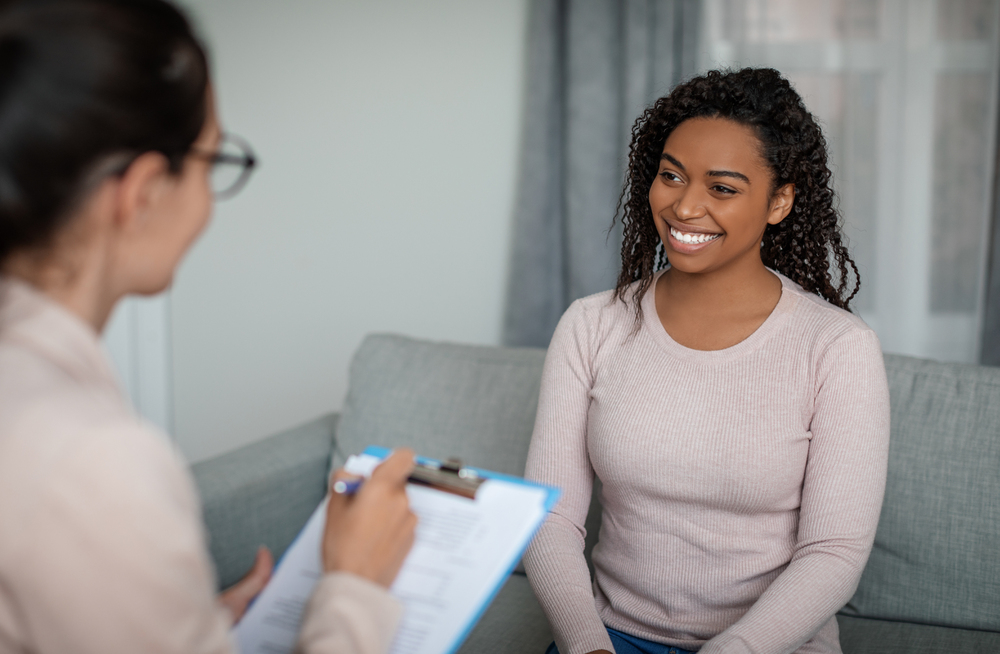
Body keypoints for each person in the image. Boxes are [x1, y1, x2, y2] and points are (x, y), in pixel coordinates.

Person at [0, 1, 416, 652]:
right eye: (214, 160)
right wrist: (357, 587)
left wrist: (192, 626)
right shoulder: (96, 460)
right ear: (142, 191)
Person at [522, 68, 891, 654]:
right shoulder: (591, 326)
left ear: (779, 201)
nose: (684, 207)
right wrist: (588, 646)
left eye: (722, 188)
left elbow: (835, 551)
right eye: (671, 176)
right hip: (613, 639)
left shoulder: (837, 347)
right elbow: (550, 518)